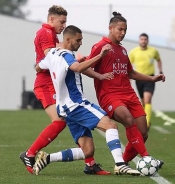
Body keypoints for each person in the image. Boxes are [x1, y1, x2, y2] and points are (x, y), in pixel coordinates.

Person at [33, 25, 140, 176]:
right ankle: (120, 164)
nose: (81, 43)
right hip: (76, 104)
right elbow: (77, 68)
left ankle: (47, 158)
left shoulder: (52, 53)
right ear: (68, 39)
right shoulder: (66, 55)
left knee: (87, 150)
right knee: (110, 125)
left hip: (64, 107)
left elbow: (38, 67)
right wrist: (100, 56)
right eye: (78, 40)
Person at [19, 5, 110, 175]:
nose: (64, 25)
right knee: (61, 120)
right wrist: (77, 58)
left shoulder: (52, 35)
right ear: (51, 19)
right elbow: (52, 55)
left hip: (56, 85)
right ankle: (29, 154)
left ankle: (90, 163)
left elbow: (62, 60)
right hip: (46, 84)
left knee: (72, 117)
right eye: (62, 21)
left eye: (65, 22)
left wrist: (96, 74)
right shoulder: (46, 33)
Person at [85, 12, 165, 166]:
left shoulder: (122, 50)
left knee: (143, 133)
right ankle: (146, 157)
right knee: (128, 120)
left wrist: (152, 78)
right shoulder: (100, 46)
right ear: (110, 28)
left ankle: (121, 164)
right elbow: (84, 67)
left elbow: (131, 73)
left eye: (125, 30)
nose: (122, 33)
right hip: (110, 95)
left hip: (129, 94)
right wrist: (100, 76)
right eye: (120, 29)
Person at [129, 33, 163, 129]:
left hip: (150, 78)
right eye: (142, 39)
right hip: (138, 78)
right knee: (143, 101)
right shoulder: (133, 52)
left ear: (147, 41)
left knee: (147, 99)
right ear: (139, 40)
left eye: (145, 39)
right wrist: (129, 78)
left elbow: (159, 60)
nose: (143, 41)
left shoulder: (153, 51)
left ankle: (147, 123)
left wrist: (160, 70)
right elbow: (129, 65)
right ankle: (144, 119)